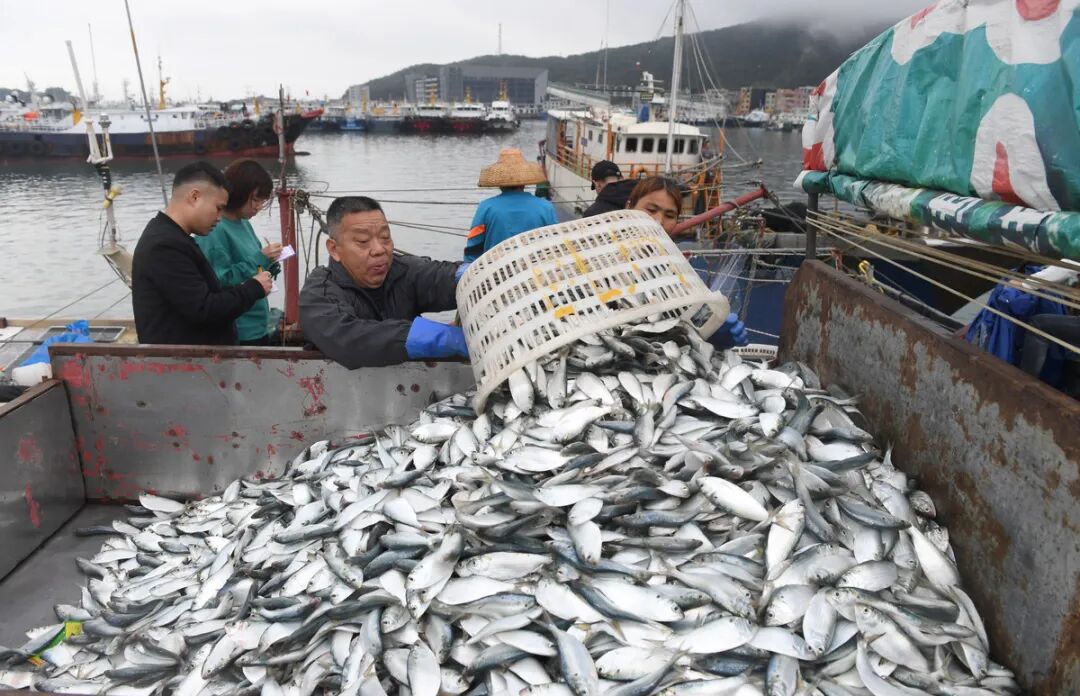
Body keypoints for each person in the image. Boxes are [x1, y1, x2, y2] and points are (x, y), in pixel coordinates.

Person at [300, 196, 469, 368]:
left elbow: (439, 277)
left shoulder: (402, 270)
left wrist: (472, 275)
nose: (380, 249)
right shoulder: (318, 294)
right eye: (363, 241)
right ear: (334, 249)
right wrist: (438, 338)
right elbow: (350, 340)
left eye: (385, 237)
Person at [131, 161, 272, 345]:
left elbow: (205, 296)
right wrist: (253, 287)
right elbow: (204, 308)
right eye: (218, 208)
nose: (219, 217)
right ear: (195, 197)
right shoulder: (164, 246)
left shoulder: (176, 238)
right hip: (181, 367)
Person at [628, 176, 749, 349]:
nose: (658, 221)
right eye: (651, 209)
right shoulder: (595, 256)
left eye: (670, 215)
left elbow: (689, 326)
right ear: (629, 206)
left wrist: (715, 334)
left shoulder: (676, 274)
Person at [195, 159, 283, 346]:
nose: (258, 206)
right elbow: (219, 280)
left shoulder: (243, 222)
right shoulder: (214, 230)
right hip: (240, 329)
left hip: (259, 321)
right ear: (241, 193)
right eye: (256, 199)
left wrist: (269, 265)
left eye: (262, 201)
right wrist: (261, 257)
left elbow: (253, 267)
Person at [464, 148, 557, 262]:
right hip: (534, 270)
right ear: (524, 183)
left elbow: (474, 245)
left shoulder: (486, 207)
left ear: (499, 184)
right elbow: (555, 241)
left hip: (495, 270)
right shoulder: (545, 207)